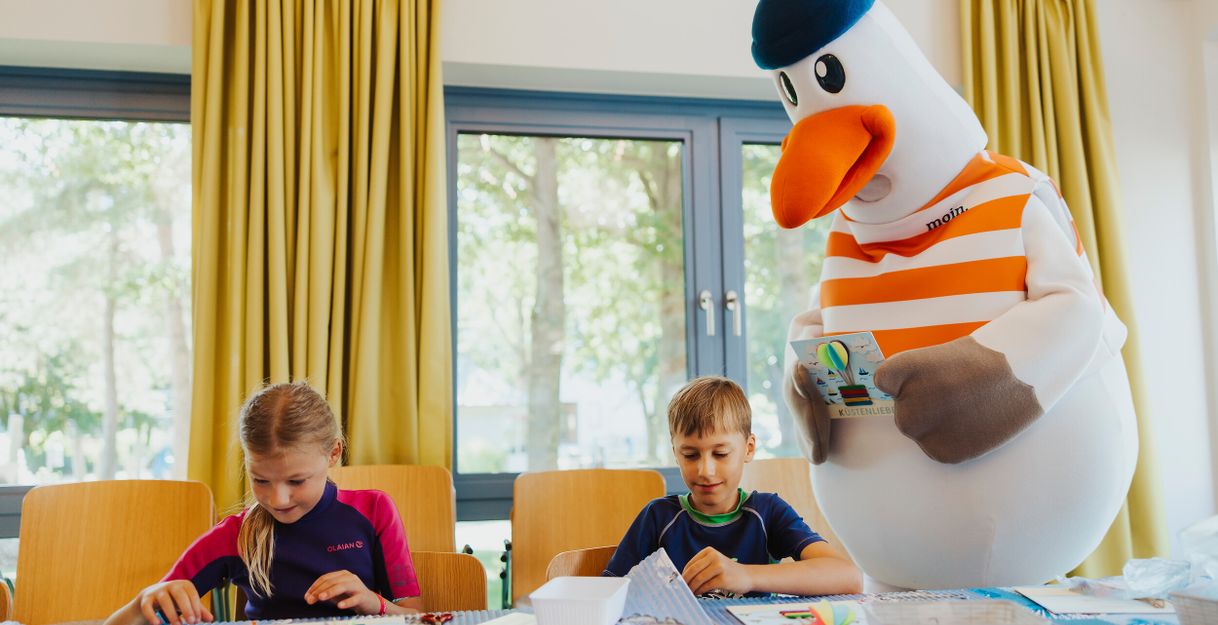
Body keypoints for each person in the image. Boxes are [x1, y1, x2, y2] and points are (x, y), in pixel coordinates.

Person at [103, 382, 422, 625]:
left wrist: (373, 604)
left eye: (296, 481)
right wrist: (144, 601)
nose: (278, 499)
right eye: (260, 480)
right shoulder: (236, 535)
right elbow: (139, 614)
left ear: (334, 453)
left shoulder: (374, 510)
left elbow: (418, 618)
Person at [604, 376, 860, 597]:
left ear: (748, 448)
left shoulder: (768, 512)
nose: (706, 470)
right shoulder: (658, 517)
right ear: (676, 453)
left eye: (721, 453)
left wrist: (745, 575)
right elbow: (609, 591)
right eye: (690, 455)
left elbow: (848, 577)